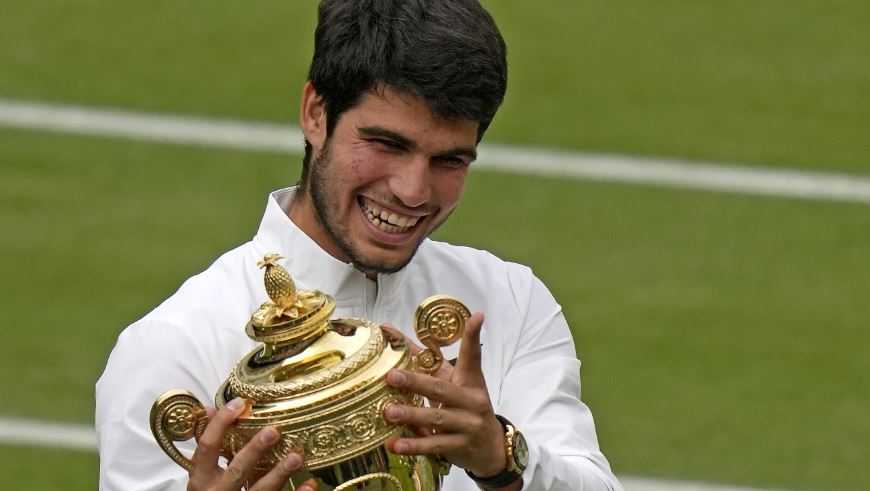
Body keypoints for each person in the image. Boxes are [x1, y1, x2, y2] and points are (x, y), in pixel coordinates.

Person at [96, 1, 622, 490]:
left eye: (450, 160)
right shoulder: (172, 349)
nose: (413, 191)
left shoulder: (510, 300)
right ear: (315, 114)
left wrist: (503, 459)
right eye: (388, 144)